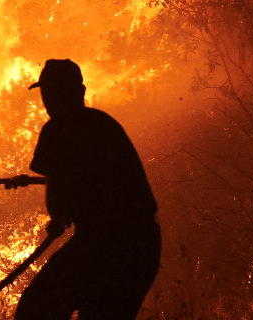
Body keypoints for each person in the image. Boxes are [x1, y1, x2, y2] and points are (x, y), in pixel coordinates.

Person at [12, 59, 161, 319]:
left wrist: (57, 217)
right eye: (46, 92)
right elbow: (89, 179)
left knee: (36, 309)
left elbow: (60, 193)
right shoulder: (103, 123)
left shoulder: (57, 129)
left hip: (105, 246)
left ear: (76, 92)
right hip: (141, 246)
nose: (48, 99)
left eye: (52, 91)